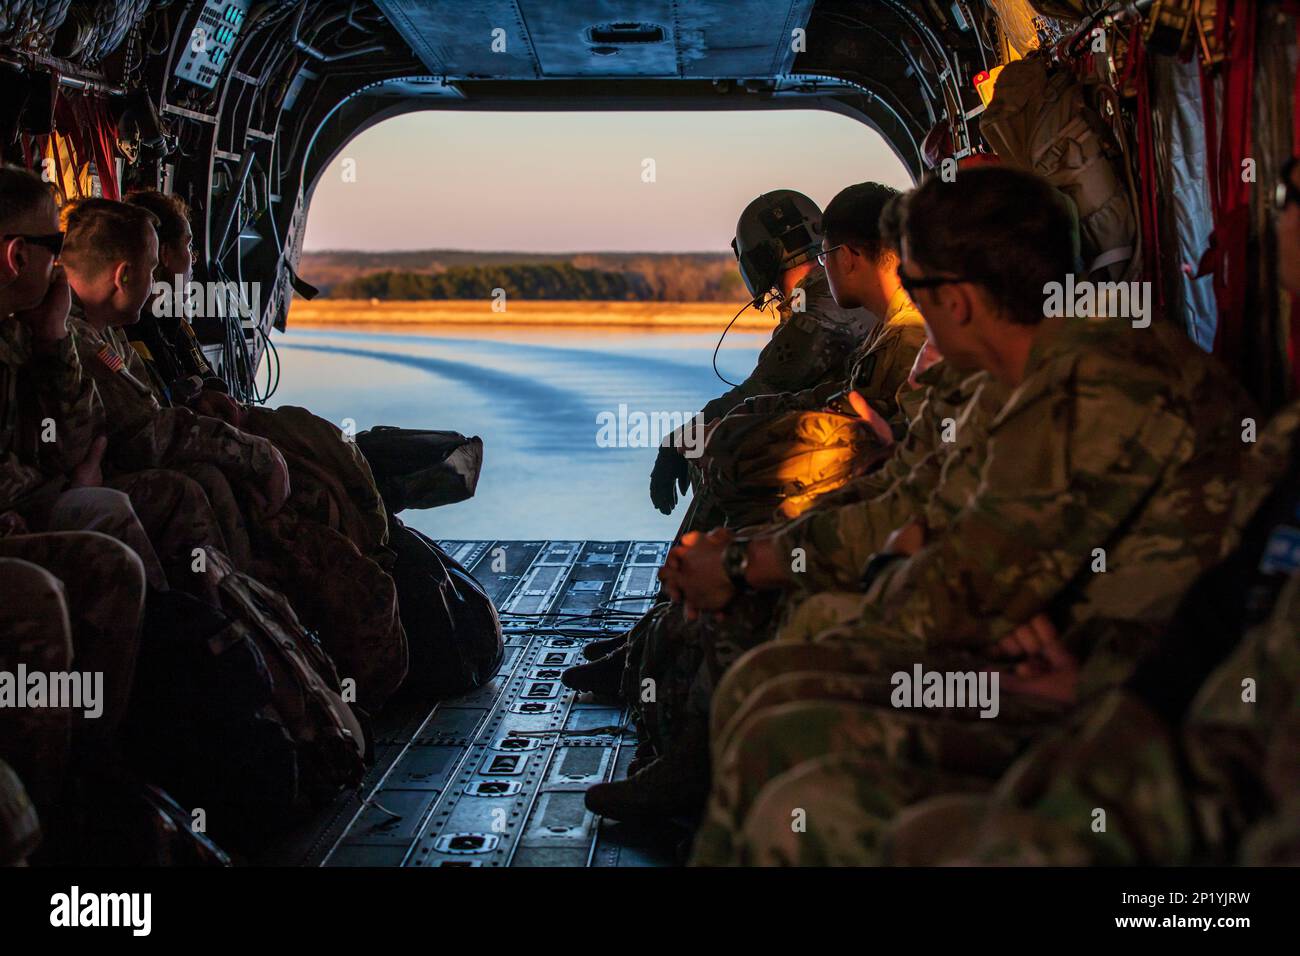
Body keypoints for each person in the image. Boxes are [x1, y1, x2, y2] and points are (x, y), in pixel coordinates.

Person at [660, 166, 1250, 855]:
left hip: (1123, 697)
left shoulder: (1098, 383)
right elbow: (918, 503)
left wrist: (755, 567)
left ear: (960, 302)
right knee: (773, 680)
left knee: (783, 722)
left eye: (917, 285)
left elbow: (962, 585)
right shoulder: (1022, 376)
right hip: (1055, 653)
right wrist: (756, 557)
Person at [649, 189, 872, 530]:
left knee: (717, 450)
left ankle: (698, 572)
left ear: (760, 261)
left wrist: (680, 440)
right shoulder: (827, 296)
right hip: (851, 440)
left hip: (842, 452)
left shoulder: (814, 312)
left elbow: (759, 394)